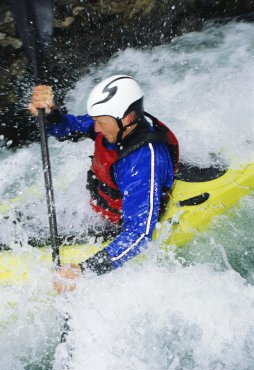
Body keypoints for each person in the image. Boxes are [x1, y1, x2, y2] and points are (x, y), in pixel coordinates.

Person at [28, 75, 179, 292]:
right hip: (96, 207)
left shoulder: (143, 162)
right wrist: (50, 114)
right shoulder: (112, 122)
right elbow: (67, 128)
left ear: (127, 119)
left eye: (100, 122)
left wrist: (83, 271)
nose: (95, 128)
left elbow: (139, 234)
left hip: (117, 223)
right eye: (95, 120)